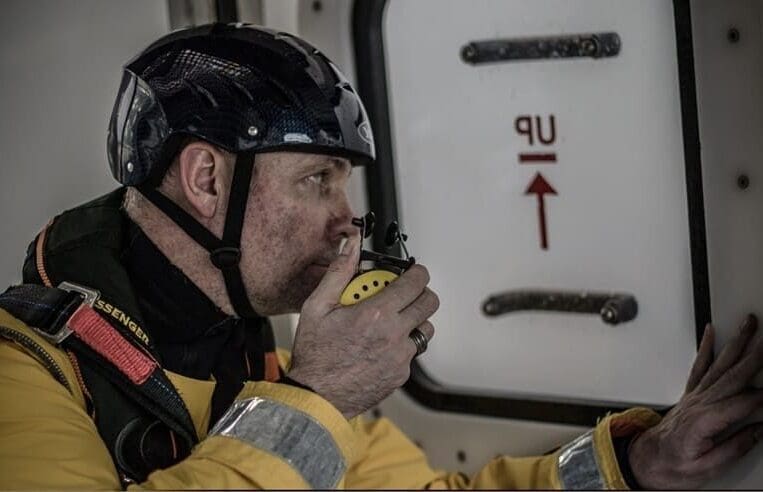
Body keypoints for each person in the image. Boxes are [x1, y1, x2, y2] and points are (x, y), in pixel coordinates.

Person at [0, 23, 762, 490]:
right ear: (206, 179)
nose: (346, 221)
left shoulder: (261, 364)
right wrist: (321, 398)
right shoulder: (26, 374)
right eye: (316, 180)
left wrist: (635, 466)